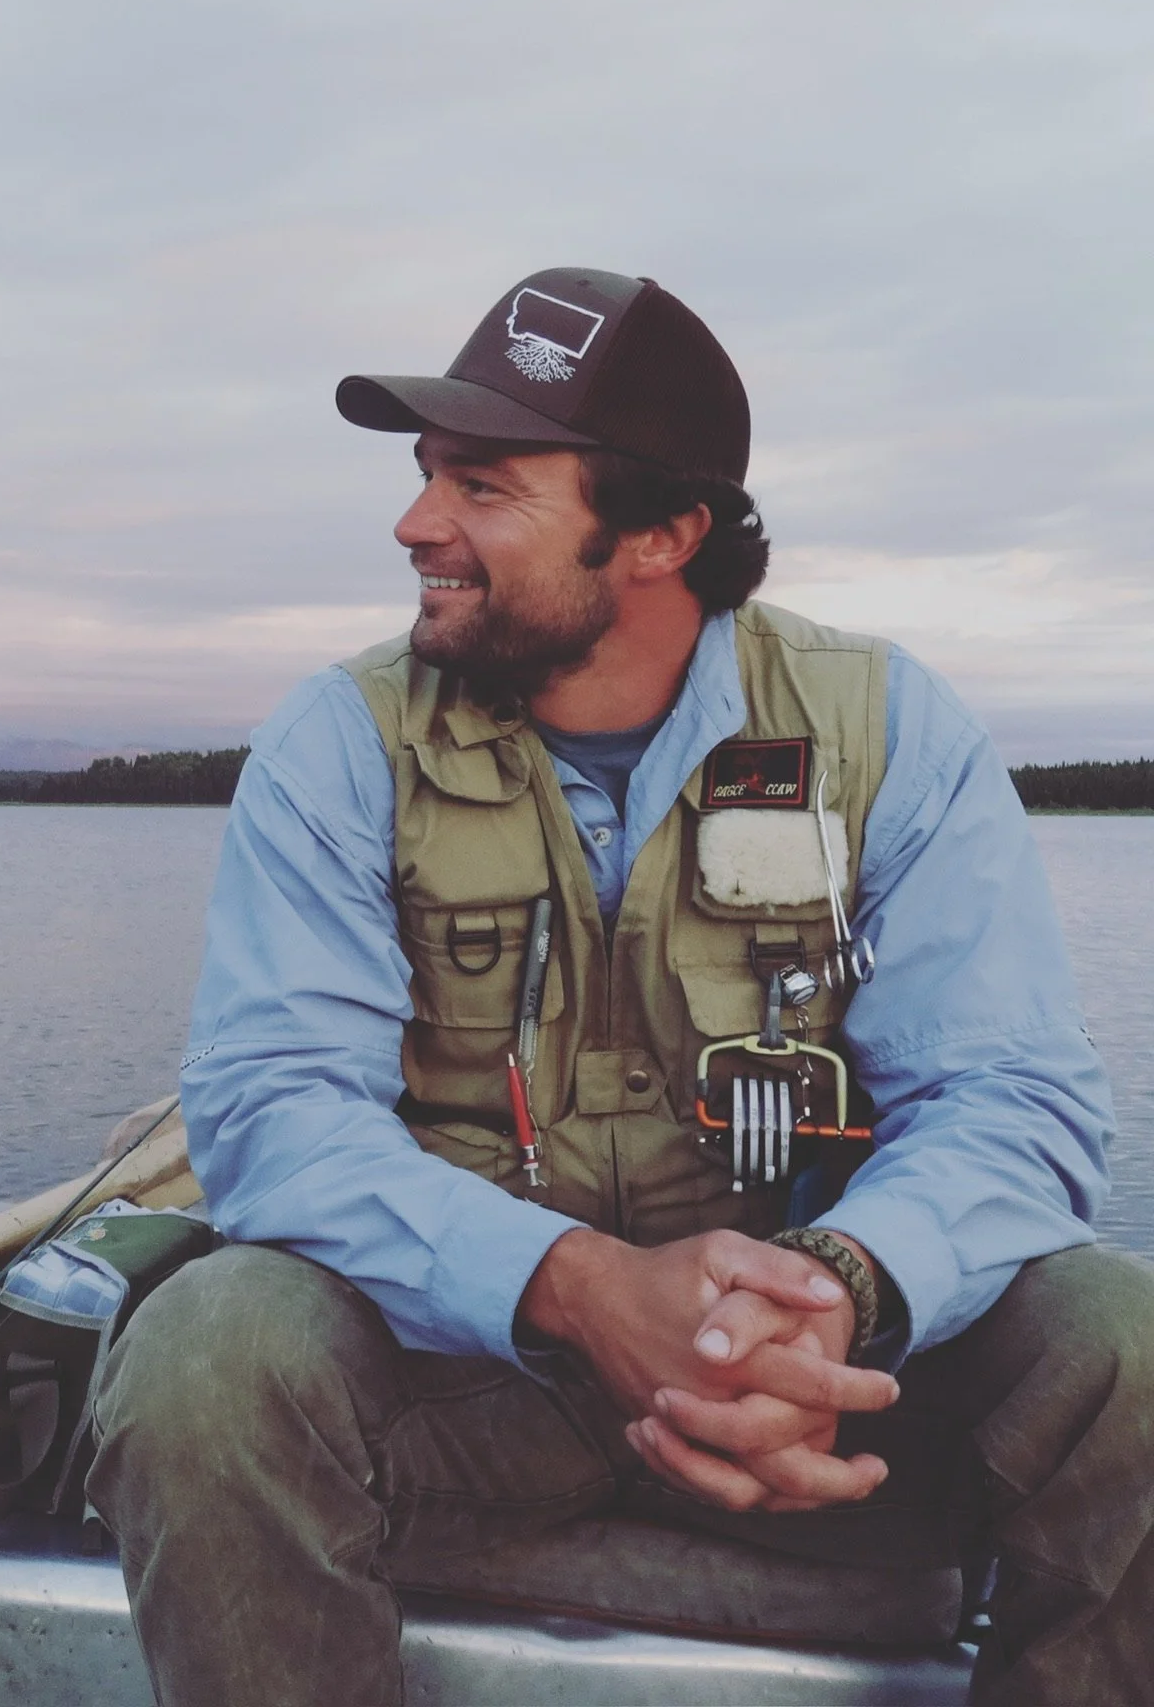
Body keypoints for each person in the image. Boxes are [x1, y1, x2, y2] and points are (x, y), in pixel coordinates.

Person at [86, 268, 1151, 1706]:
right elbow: (273, 1115)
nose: (417, 524)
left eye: (483, 486)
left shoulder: (890, 730)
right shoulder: (337, 743)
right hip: (472, 1397)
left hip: (818, 1407)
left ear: (661, 533)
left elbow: (1010, 1100)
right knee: (205, 1355)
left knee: (1125, 1349)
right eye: (425, 479)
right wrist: (578, 1288)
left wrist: (835, 1293)